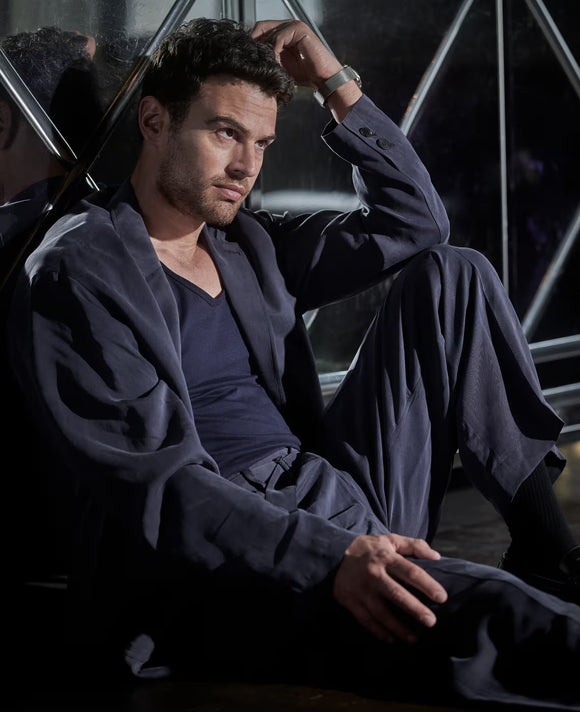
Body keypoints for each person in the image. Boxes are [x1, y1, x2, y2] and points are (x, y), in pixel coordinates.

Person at [6, 17, 580, 709]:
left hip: (336, 492)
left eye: (262, 143)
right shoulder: (82, 268)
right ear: (154, 121)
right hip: (240, 552)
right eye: (225, 133)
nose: (246, 167)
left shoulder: (247, 243)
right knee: (508, 622)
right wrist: (332, 557)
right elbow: (160, 489)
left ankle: (547, 549)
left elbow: (417, 223)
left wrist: (335, 82)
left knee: (455, 274)